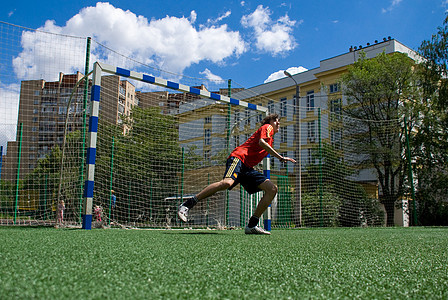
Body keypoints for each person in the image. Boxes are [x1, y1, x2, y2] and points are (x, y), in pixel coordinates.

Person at [177, 113, 296, 235]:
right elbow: (261, 142)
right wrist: (280, 157)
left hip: (247, 168)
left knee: (272, 189)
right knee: (227, 183)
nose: (278, 123)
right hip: (238, 159)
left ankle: (252, 225)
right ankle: (187, 205)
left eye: (279, 121)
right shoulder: (267, 127)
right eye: (275, 120)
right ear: (269, 122)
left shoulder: (270, 140)